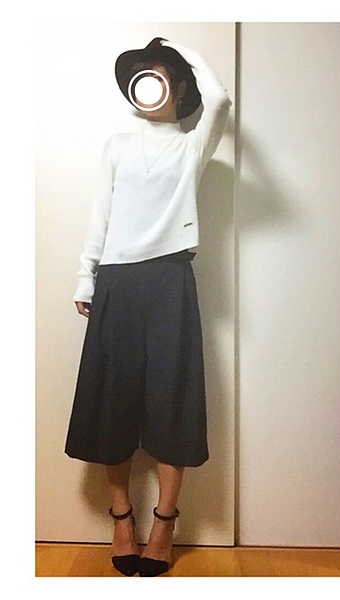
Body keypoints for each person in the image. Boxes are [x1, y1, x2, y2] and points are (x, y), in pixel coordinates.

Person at [64, 37, 231, 577]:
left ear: (177, 88)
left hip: (170, 278)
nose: (147, 85)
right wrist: (86, 276)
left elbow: (220, 100)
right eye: (141, 77)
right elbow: (102, 212)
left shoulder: (191, 146)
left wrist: (175, 49)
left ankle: (164, 522)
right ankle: (121, 518)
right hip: (116, 279)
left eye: (158, 76)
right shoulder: (116, 145)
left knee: (172, 399)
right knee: (111, 398)